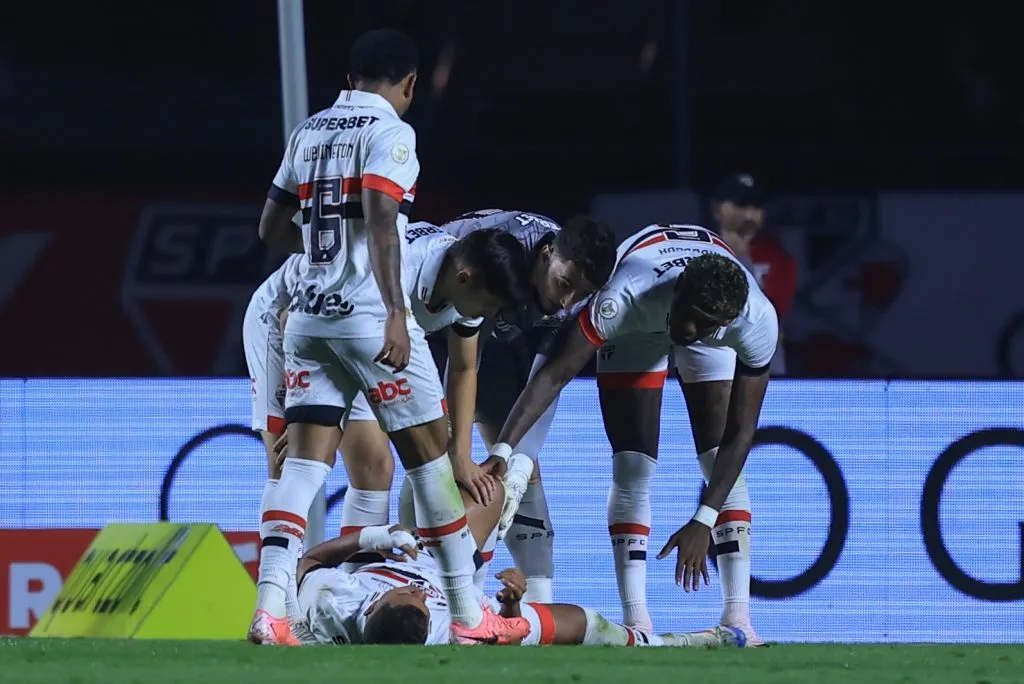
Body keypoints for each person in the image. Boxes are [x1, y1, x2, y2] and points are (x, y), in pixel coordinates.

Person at [251, 27, 529, 646]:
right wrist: (397, 315)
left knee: (302, 468)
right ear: (408, 86)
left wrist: (327, 249)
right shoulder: (393, 133)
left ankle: (270, 611)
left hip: (308, 315)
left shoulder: (310, 129)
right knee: (432, 461)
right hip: (368, 317)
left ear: (350, 79)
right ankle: (465, 610)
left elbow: (271, 224)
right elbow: (382, 219)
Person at [483, 223, 779, 646]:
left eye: (705, 324)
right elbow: (554, 374)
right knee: (632, 464)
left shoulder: (756, 321)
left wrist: (704, 519)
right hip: (638, 327)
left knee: (718, 456)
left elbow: (741, 432)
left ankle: (739, 618)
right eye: (688, 316)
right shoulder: (624, 295)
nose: (690, 331)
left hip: (698, 317)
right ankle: (637, 622)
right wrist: (506, 450)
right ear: (677, 294)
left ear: (729, 319)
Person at [290, 458, 747, 648]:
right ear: (431, 622)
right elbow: (505, 624)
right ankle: (685, 642)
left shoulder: (334, 603)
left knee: (496, 469)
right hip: (472, 597)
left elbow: (307, 562)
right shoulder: (451, 634)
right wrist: (512, 604)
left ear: (375, 607)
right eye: (421, 601)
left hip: (436, 552)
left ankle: (498, 520)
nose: (417, 594)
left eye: (408, 594)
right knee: (592, 625)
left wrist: (375, 540)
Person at [438, 209, 619, 603]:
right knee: (442, 459)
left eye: (580, 294)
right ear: (546, 254)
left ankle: (540, 602)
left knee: (518, 466)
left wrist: (514, 459)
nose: (567, 301)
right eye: (564, 284)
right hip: (437, 322)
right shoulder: (500, 255)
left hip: (500, 338)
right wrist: (458, 447)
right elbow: (465, 358)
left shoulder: (571, 292)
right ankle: (446, 594)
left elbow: (547, 380)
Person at [711, 172, 796, 375]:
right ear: (718, 209)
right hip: (710, 370)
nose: (749, 215)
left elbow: (768, 316)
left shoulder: (780, 259)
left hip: (765, 372)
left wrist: (741, 257)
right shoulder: (697, 252)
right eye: (740, 205)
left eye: (756, 206)